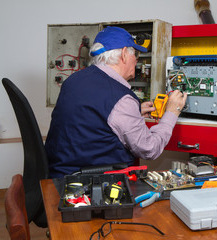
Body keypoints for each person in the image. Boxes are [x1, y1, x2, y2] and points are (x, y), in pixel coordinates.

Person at [45, 27, 187, 178]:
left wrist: (135, 111)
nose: (137, 60)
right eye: (136, 54)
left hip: (58, 177)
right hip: (92, 187)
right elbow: (149, 149)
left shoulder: (73, 80)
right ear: (124, 54)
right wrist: (172, 112)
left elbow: (87, 118)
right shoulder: (121, 99)